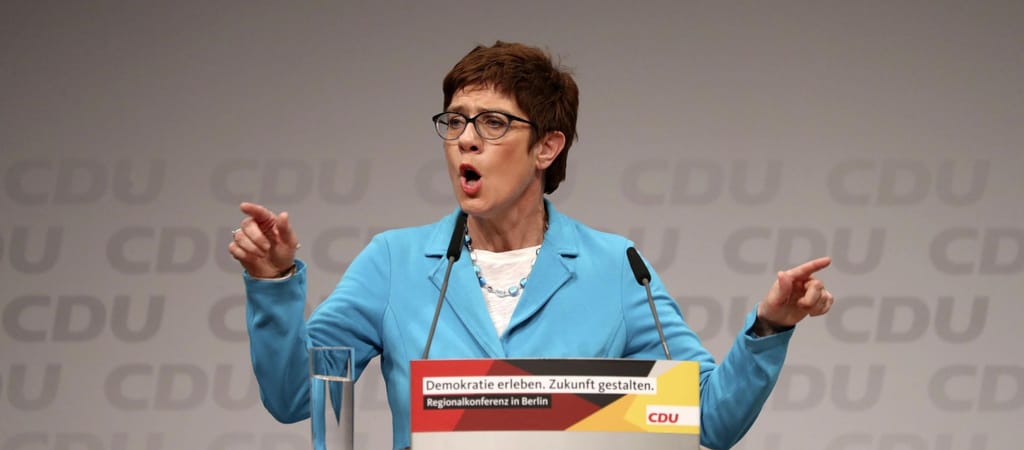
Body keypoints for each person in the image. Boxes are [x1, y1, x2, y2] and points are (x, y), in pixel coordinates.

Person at [229, 41, 834, 450]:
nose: (466, 140)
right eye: (455, 120)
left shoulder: (616, 268)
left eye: (493, 123)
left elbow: (708, 418)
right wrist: (273, 283)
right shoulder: (394, 263)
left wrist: (771, 326)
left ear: (547, 147)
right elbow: (294, 397)